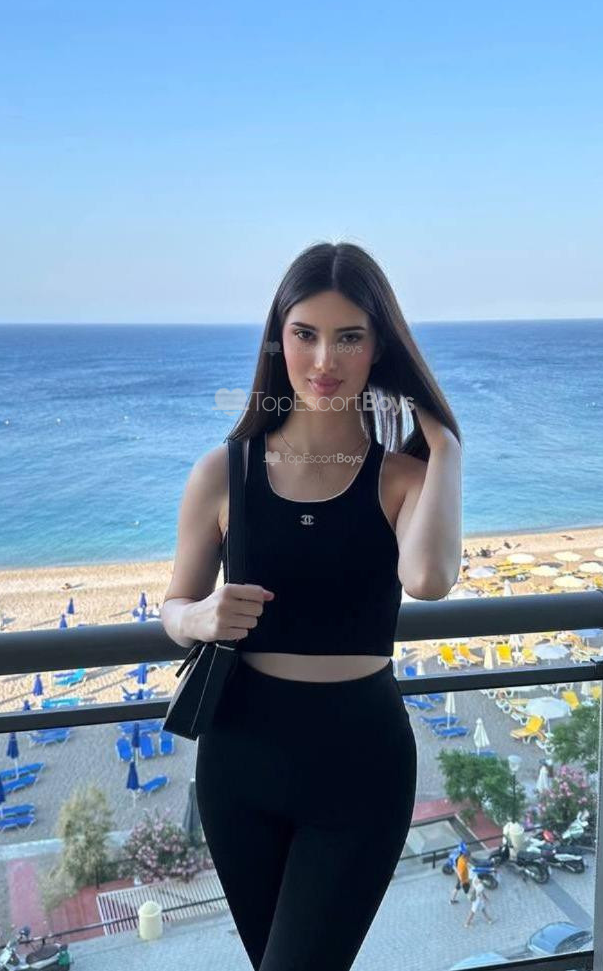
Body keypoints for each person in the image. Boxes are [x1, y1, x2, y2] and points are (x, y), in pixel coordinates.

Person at [160, 242, 463, 971]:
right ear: (279, 339)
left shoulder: (402, 479)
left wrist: (447, 447)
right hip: (239, 763)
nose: (325, 359)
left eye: (350, 336)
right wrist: (199, 617)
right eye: (306, 334)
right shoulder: (222, 472)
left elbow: (427, 578)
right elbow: (173, 606)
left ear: (379, 347)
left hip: (360, 767)